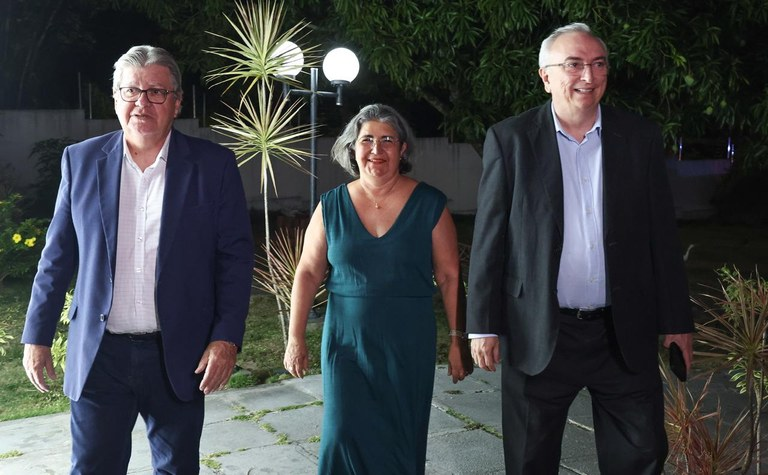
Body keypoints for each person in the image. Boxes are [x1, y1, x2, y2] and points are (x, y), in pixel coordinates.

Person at [467, 23, 694, 475]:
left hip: (622, 333)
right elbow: (490, 240)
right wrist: (482, 326)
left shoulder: (639, 138)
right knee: (530, 460)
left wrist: (676, 321)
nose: (588, 76)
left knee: (641, 456)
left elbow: (662, 237)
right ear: (546, 76)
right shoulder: (510, 140)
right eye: (574, 64)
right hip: (539, 331)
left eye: (598, 64)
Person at [21, 45, 254, 473]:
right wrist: (37, 336)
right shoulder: (81, 161)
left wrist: (226, 338)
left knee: (177, 468)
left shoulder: (213, 166)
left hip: (180, 353)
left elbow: (235, 261)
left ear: (177, 102)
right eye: (130, 91)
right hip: (100, 355)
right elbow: (57, 256)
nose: (141, 102)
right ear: (115, 98)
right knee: (93, 467)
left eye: (156, 92)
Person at [283, 103, 472, 474]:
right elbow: (307, 272)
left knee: (400, 440)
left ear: (403, 149)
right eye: (367, 140)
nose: (376, 149)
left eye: (387, 140)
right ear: (353, 148)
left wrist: (457, 340)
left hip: (408, 344)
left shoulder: (430, 204)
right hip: (346, 343)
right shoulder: (331, 206)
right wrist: (295, 338)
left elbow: (450, 276)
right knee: (342, 436)